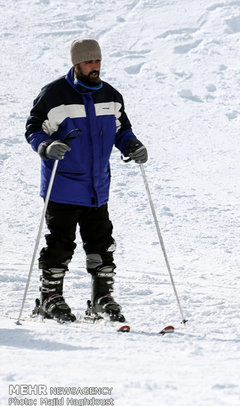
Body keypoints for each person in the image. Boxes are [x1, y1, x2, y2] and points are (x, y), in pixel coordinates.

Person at [25, 39, 148, 323]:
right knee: (60, 243)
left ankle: (101, 298)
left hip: (97, 187)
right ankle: (49, 297)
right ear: (76, 64)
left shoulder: (111, 95)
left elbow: (121, 129)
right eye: (90, 62)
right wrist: (46, 146)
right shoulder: (55, 95)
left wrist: (133, 145)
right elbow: (34, 128)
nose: (96, 67)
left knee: (101, 243)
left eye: (98, 61)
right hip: (62, 184)